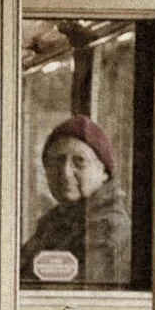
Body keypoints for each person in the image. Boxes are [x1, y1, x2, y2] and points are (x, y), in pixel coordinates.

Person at [20, 115, 132, 288]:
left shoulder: (108, 225)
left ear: (104, 172)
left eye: (79, 161)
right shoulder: (53, 223)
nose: (65, 173)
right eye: (56, 162)